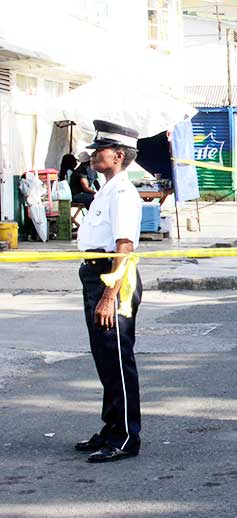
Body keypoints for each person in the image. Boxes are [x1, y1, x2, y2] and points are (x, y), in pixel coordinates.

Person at [74, 120, 144, 463]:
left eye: (98, 150)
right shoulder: (106, 189)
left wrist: (109, 296)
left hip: (112, 279)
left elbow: (124, 247)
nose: (92, 155)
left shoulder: (123, 193)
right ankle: (111, 427)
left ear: (117, 156)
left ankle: (126, 436)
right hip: (95, 275)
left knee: (117, 359)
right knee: (104, 358)